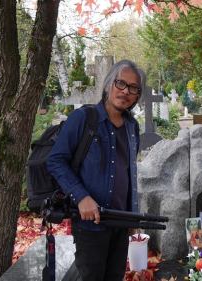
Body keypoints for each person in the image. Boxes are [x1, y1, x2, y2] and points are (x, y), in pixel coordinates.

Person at [47, 60, 144, 281]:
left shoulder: (132, 126)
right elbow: (56, 161)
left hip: (120, 222)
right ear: (109, 85)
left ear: (138, 95)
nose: (125, 91)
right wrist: (81, 197)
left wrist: (132, 218)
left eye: (133, 88)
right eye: (121, 83)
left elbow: (129, 173)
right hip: (90, 226)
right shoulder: (83, 119)